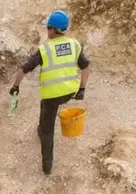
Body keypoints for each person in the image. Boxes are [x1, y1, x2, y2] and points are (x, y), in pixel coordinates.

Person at [9, 10, 91, 175]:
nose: (47, 31)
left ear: (53, 29)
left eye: (48, 28)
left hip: (52, 96)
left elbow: (23, 69)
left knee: (48, 129)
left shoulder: (44, 49)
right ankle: (40, 129)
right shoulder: (74, 44)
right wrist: (82, 88)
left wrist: (15, 86)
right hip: (70, 92)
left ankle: (47, 167)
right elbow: (86, 67)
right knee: (44, 107)